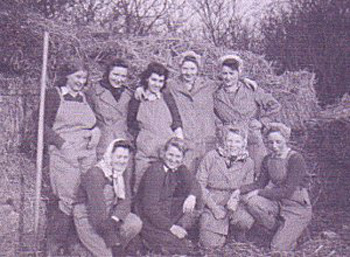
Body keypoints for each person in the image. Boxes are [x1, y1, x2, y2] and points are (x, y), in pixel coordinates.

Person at [44, 60, 100, 255]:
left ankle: (77, 244)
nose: (80, 81)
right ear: (66, 76)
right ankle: (55, 245)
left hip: (88, 153)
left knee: (85, 197)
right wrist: (61, 144)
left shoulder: (87, 97)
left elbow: (97, 122)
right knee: (67, 199)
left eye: (84, 78)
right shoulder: (54, 95)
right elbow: (42, 126)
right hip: (65, 153)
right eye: (77, 77)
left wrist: (96, 133)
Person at [240, 122, 312, 252]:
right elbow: (260, 183)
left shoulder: (295, 159)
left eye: (278, 142)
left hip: (296, 206)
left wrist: (258, 192)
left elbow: (287, 191)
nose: (274, 146)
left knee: (276, 249)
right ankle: (279, 229)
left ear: (286, 139)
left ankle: (293, 232)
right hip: (278, 203)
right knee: (251, 202)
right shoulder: (268, 159)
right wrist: (239, 190)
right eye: (270, 142)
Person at [213, 54, 281, 177]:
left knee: (258, 173)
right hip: (229, 141)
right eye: (225, 73)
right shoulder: (216, 93)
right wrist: (220, 127)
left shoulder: (251, 90)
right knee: (231, 175)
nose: (228, 77)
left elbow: (275, 106)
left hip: (251, 138)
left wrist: (262, 122)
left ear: (239, 73)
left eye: (231, 73)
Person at [73, 139, 142, 257]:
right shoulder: (95, 174)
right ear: (110, 155)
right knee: (109, 255)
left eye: (125, 157)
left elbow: (126, 201)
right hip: (87, 217)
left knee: (135, 223)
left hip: (108, 214)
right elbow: (97, 214)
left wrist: (115, 219)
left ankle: (104, 246)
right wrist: (113, 242)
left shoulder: (121, 172)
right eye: (119, 157)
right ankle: (83, 247)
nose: (122, 161)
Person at [135, 137, 202, 256]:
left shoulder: (179, 168)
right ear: (164, 153)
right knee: (180, 247)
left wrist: (192, 196)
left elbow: (195, 184)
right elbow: (149, 209)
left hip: (165, 212)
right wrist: (171, 227)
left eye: (178, 157)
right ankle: (145, 241)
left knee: (195, 199)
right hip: (148, 219)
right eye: (170, 155)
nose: (173, 159)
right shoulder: (156, 171)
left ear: (182, 158)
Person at [127, 62, 183, 193]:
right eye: (154, 80)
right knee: (141, 185)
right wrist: (143, 140)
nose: (157, 84)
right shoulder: (137, 97)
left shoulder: (167, 97)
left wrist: (179, 144)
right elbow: (131, 123)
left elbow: (176, 121)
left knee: (165, 188)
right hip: (145, 153)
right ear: (147, 78)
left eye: (160, 81)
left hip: (166, 152)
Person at [196, 125, 255, 249]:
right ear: (224, 141)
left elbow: (248, 187)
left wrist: (236, 201)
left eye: (237, 141)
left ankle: (235, 231)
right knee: (210, 244)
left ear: (243, 143)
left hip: (235, 201)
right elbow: (199, 184)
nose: (233, 145)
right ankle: (214, 228)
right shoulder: (211, 156)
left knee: (245, 220)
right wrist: (214, 208)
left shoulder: (248, 162)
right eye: (230, 141)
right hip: (213, 200)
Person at [167, 51, 217, 173]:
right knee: (185, 173)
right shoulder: (171, 85)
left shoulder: (209, 85)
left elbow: (230, 82)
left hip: (206, 139)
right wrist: (141, 89)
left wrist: (245, 80)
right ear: (179, 68)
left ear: (198, 69)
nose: (188, 73)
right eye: (185, 68)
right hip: (185, 138)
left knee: (205, 174)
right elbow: (153, 86)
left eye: (192, 69)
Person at [87, 58, 132, 159]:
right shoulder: (93, 92)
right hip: (102, 144)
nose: (119, 79)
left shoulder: (129, 95)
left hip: (123, 145)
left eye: (123, 76)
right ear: (108, 73)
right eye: (115, 74)